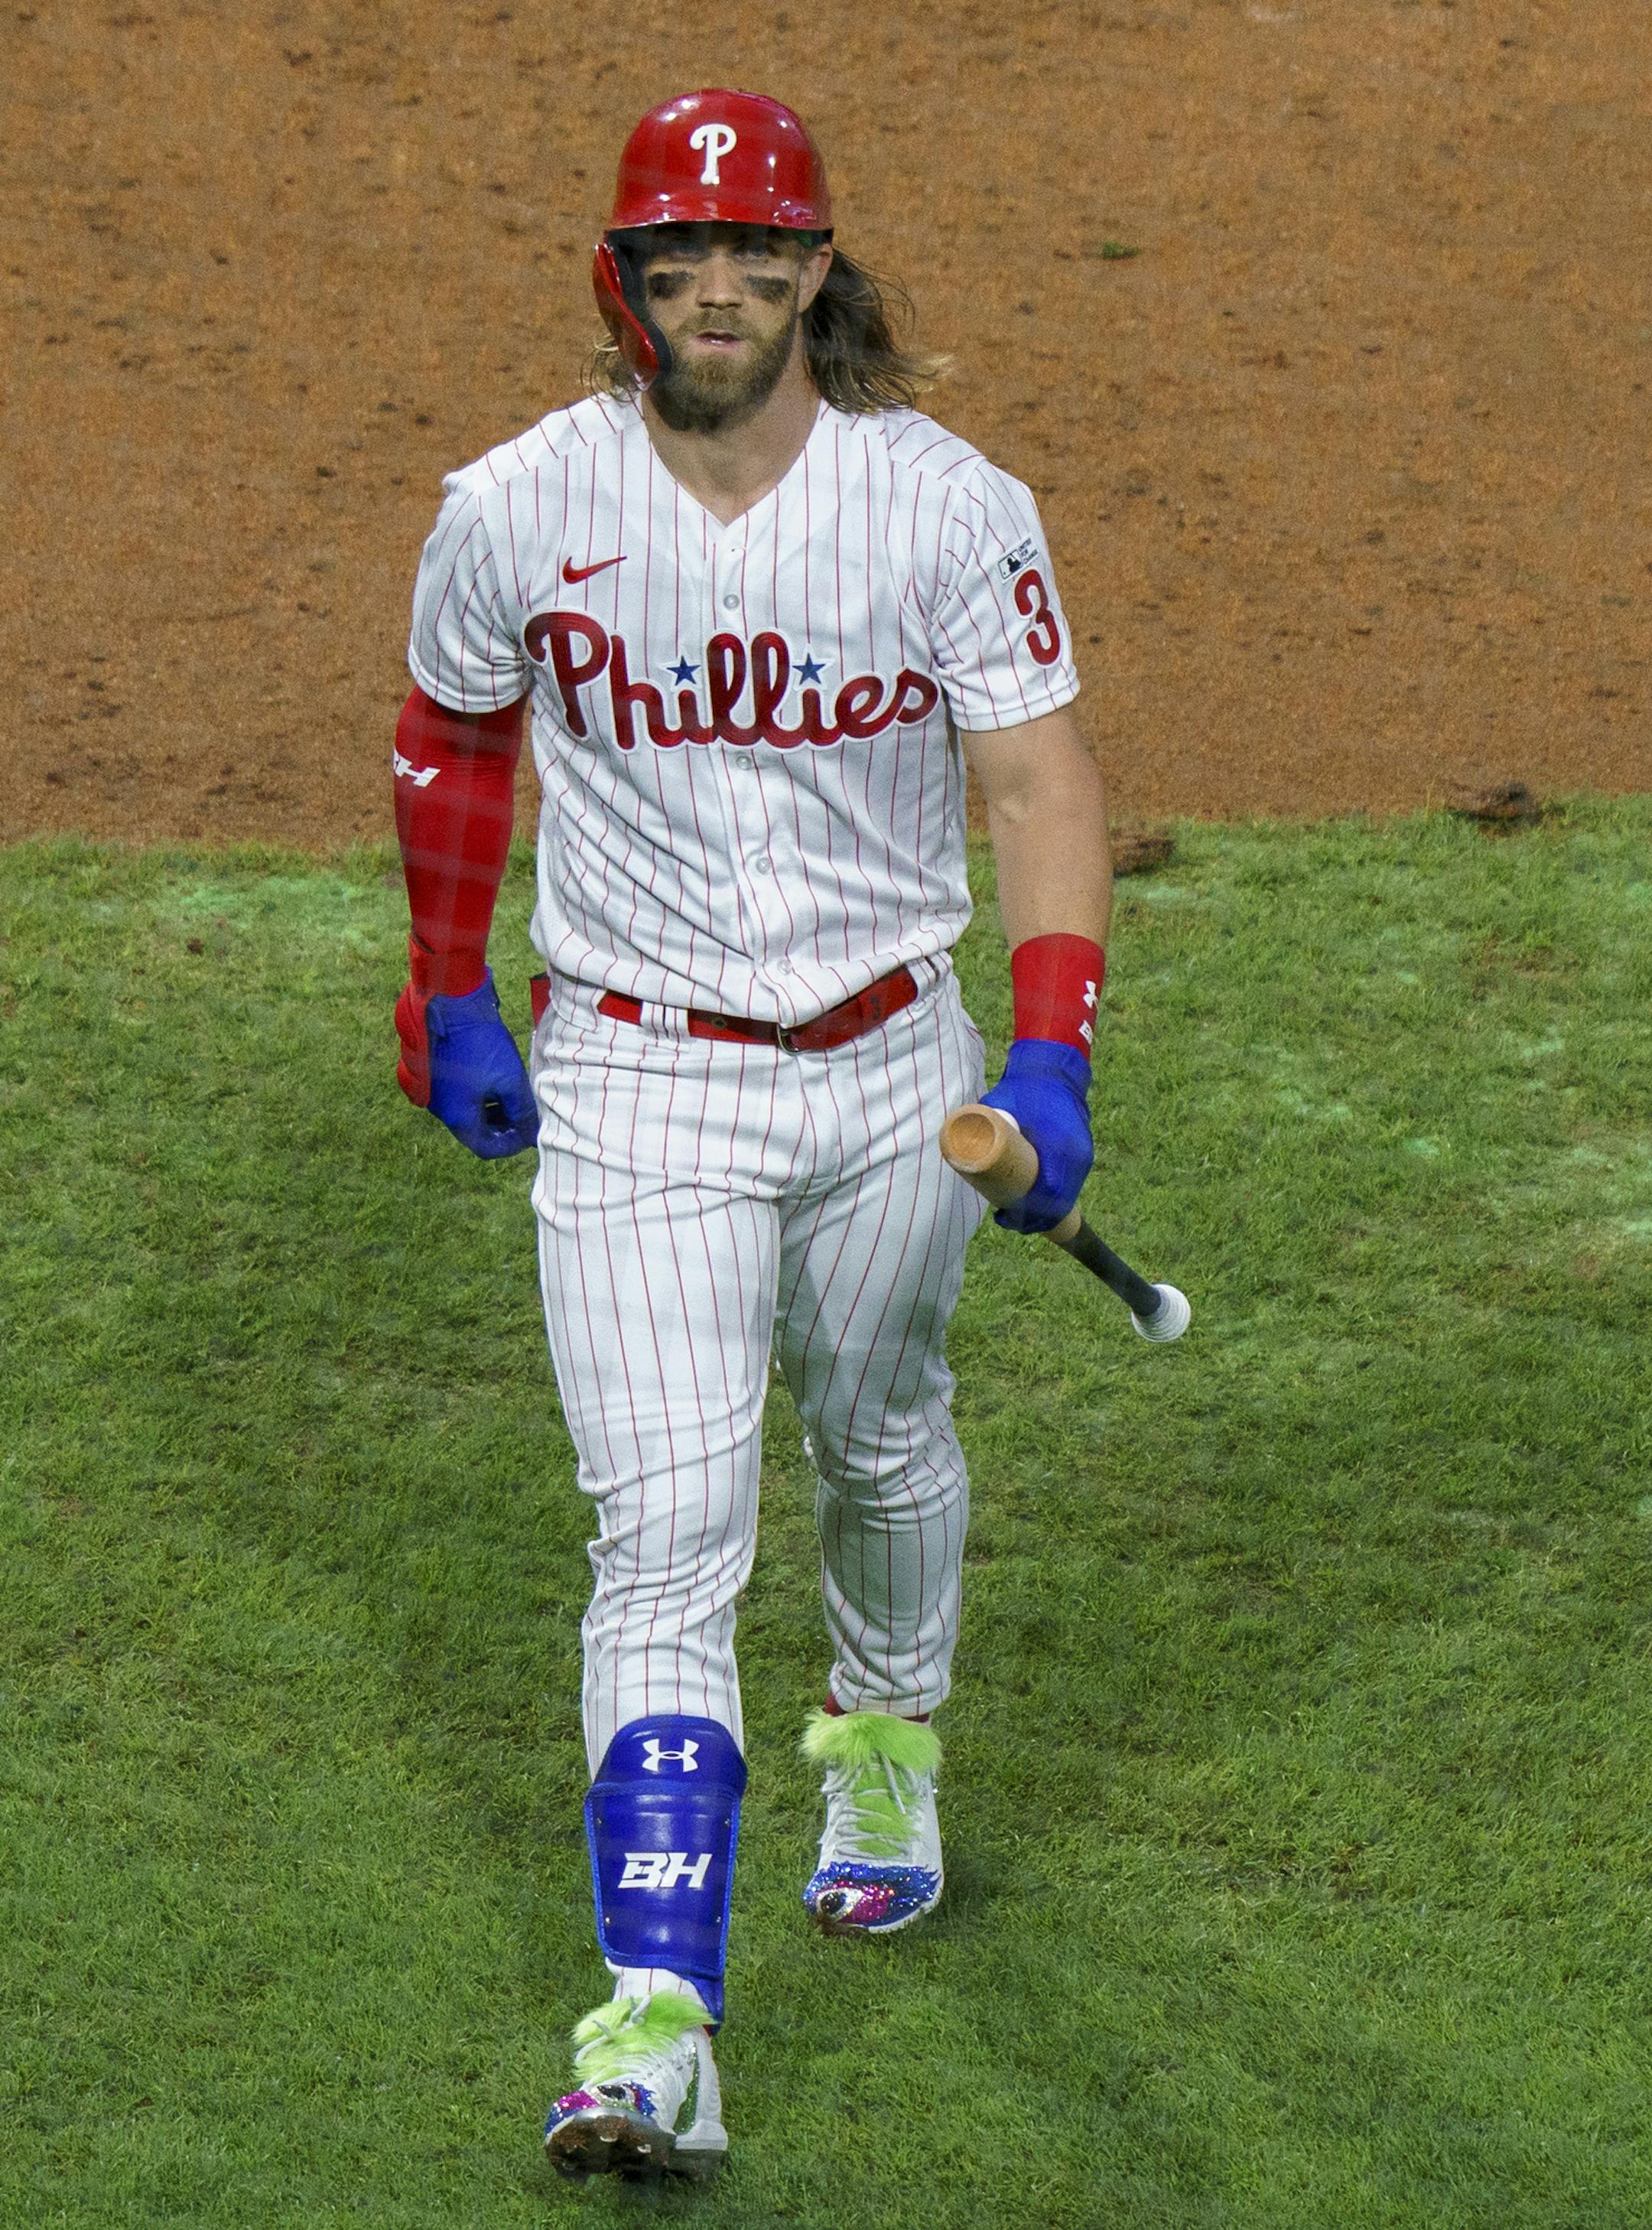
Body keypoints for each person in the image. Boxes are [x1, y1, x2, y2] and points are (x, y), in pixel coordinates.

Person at [392, 87, 1111, 2182]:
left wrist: (1051, 1053)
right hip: (636, 1076)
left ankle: (881, 1744)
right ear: (623, 282)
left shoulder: (944, 505)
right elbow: (450, 744)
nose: (719, 290)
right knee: (667, 1533)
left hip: (899, 1066)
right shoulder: (517, 502)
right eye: (678, 258)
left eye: (758, 256)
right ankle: (655, 2025)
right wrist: (442, 985)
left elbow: (1044, 787)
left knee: (880, 1431)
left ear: (820, 274)